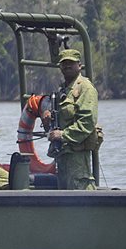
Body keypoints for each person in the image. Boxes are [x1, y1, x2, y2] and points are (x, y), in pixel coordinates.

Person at [45, 48, 100, 190]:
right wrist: (48, 121)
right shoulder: (63, 90)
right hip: (62, 154)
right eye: (64, 63)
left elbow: (87, 122)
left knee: (80, 190)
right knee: (64, 197)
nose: (67, 66)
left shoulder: (85, 88)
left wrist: (63, 135)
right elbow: (59, 120)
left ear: (79, 65)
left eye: (71, 63)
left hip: (77, 155)